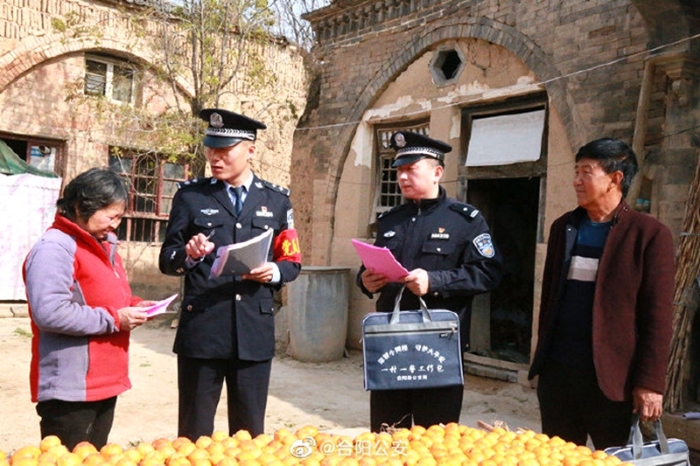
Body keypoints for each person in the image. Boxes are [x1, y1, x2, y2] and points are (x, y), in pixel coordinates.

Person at [159, 108, 302, 440]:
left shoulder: (277, 200)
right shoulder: (191, 196)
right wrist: (189, 255)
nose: (215, 157)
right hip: (203, 330)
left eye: (224, 151)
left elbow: (292, 261)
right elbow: (168, 259)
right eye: (211, 149)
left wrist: (273, 272)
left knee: (249, 434)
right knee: (194, 434)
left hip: (253, 329)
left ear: (250, 150)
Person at [528, 138, 676, 449]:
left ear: (615, 179)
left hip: (613, 380)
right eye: (576, 171)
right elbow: (551, 300)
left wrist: (650, 383)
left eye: (586, 172)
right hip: (559, 373)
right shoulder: (563, 228)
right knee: (558, 455)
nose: (576, 181)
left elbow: (658, 316)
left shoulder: (648, 235)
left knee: (614, 456)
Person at [357, 131, 504, 432]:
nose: (402, 177)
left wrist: (435, 281)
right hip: (391, 345)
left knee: (435, 439)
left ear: (437, 172)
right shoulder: (391, 220)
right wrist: (366, 280)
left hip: (438, 348)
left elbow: (488, 272)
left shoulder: (465, 220)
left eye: (411, 169)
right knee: (387, 434)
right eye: (398, 170)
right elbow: (370, 268)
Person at [23, 168, 151, 450]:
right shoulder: (55, 248)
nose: (115, 225)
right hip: (71, 388)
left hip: (104, 382)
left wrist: (135, 305)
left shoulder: (102, 244)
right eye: (111, 216)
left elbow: (101, 298)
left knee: (95, 456)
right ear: (81, 206)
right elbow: (51, 311)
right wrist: (114, 319)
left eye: (119, 217)